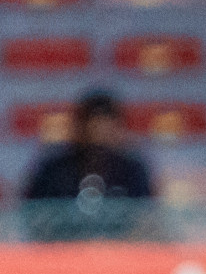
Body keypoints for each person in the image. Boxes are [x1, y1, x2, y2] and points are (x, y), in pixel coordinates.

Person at [22, 87, 156, 241]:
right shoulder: (52, 169)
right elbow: (33, 218)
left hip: (120, 257)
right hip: (61, 257)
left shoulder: (133, 169)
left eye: (106, 127)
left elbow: (147, 219)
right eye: (93, 126)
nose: (99, 136)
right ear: (78, 127)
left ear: (118, 129)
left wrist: (112, 247)